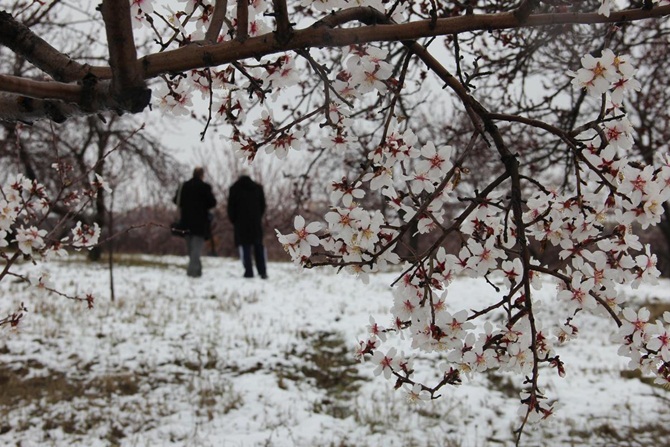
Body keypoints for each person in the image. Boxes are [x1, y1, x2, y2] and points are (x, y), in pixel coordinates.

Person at [174, 167, 217, 278]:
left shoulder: (184, 186)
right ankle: (193, 272)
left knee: (191, 249)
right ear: (202, 175)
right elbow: (212, 202)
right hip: (200, 223)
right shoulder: (205, 188)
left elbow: (176, 200)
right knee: (196, 249)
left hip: (186, 221)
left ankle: (196, 271)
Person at [227, 170, 267, 279]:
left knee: (245, 247)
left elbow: (231, 208)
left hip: (241, 223)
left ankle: (248, 271)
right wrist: (258, 217)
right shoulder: (258, 188)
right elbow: (263, 206)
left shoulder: (234, 189)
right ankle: (262, 271)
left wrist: (234, 220)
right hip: (255, 222)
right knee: (258, 246)